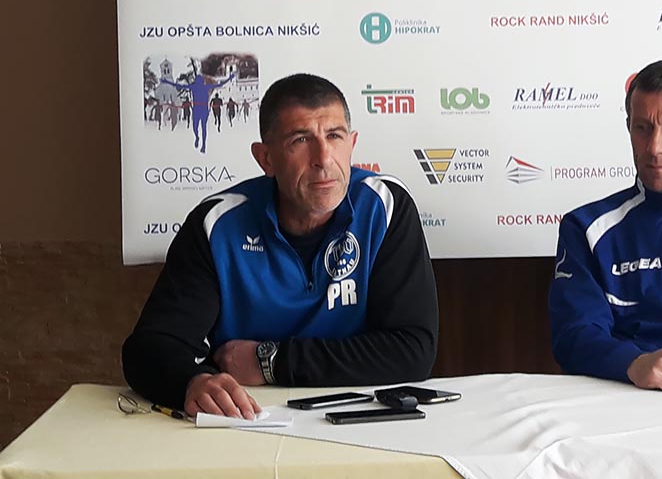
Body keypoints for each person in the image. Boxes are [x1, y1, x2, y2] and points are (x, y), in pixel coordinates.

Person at [122, 73, 439, 419]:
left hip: (355, 415)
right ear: (266, 159)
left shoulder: (385, 206)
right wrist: (191, 382)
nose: (323, 158)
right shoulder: (217, 224)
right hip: (246, 417)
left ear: (352, 144)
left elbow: (413, 351)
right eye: (300, 140)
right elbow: (149, 350)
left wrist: (270, 361)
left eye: (334, 136)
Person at [549, 56, 662, 392]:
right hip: (627, 397)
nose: (654, 147)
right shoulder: (586, 228)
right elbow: (573, 335)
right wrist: (632, 362)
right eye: (642, 128)